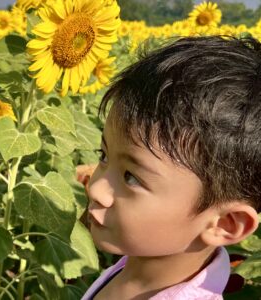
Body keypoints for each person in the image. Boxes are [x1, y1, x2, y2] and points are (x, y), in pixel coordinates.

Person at [77, 35, 261, 299]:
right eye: (104, 156)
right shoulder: (137, 265)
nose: (95, 188)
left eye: (131, 178)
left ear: (224, 224)